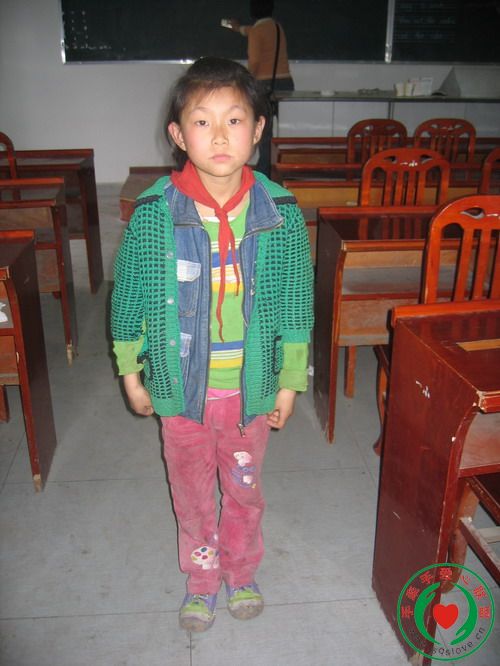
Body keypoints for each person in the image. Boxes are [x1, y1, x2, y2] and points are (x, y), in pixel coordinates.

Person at [111, 56, 313, 633]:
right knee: (193, 494)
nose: (220, 136)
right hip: (182, 393)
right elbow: (130, 299)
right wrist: (131, 373)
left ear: (258, 130)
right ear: (178, 135)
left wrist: (289, 381)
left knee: (244, 491)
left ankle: (241, 571)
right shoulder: (154, 214)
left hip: (250, 391)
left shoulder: (281, 213)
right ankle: (201, 579)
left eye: (235, 120)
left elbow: (296, 304)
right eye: (202, 122)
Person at [227, 0, 294, 176]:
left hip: (265, 85)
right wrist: (239, 29)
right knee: (287, 129)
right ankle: (288, 167)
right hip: (285, 82)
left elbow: (255, 61)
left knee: (264, 131)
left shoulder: (257, 31)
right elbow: (253, 31)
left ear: (252, 12)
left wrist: (246, 83)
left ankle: (263, 172)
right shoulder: (277, 27)